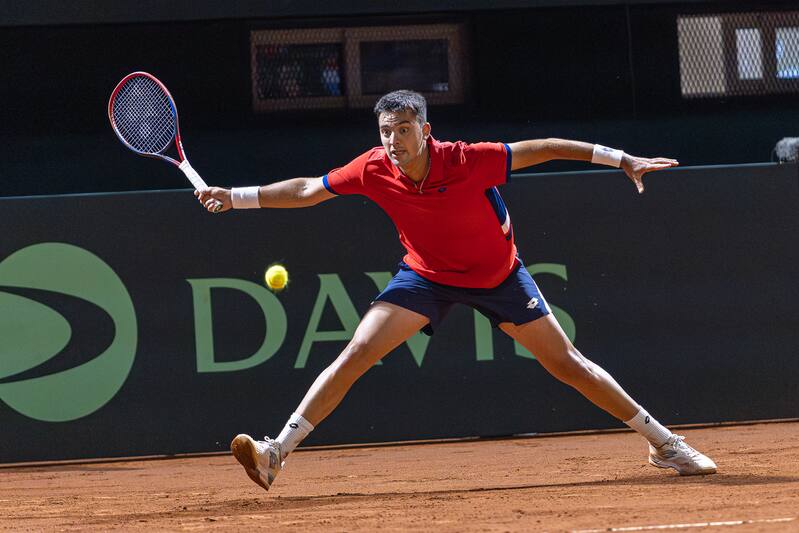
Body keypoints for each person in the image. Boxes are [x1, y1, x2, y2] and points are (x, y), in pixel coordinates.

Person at [195, 90, 717, 492]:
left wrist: (621, 158)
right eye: (386, 131)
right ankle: (275, 454)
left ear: (426, 130)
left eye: (403, 129)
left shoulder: (468, 160)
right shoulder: (373, 168)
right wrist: (235, 197)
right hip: (426, 276)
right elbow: (309, 189)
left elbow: (550, 147)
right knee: (357, 350)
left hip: (499, 277)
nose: (394, 141)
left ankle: (664, 445)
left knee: (569, 364)